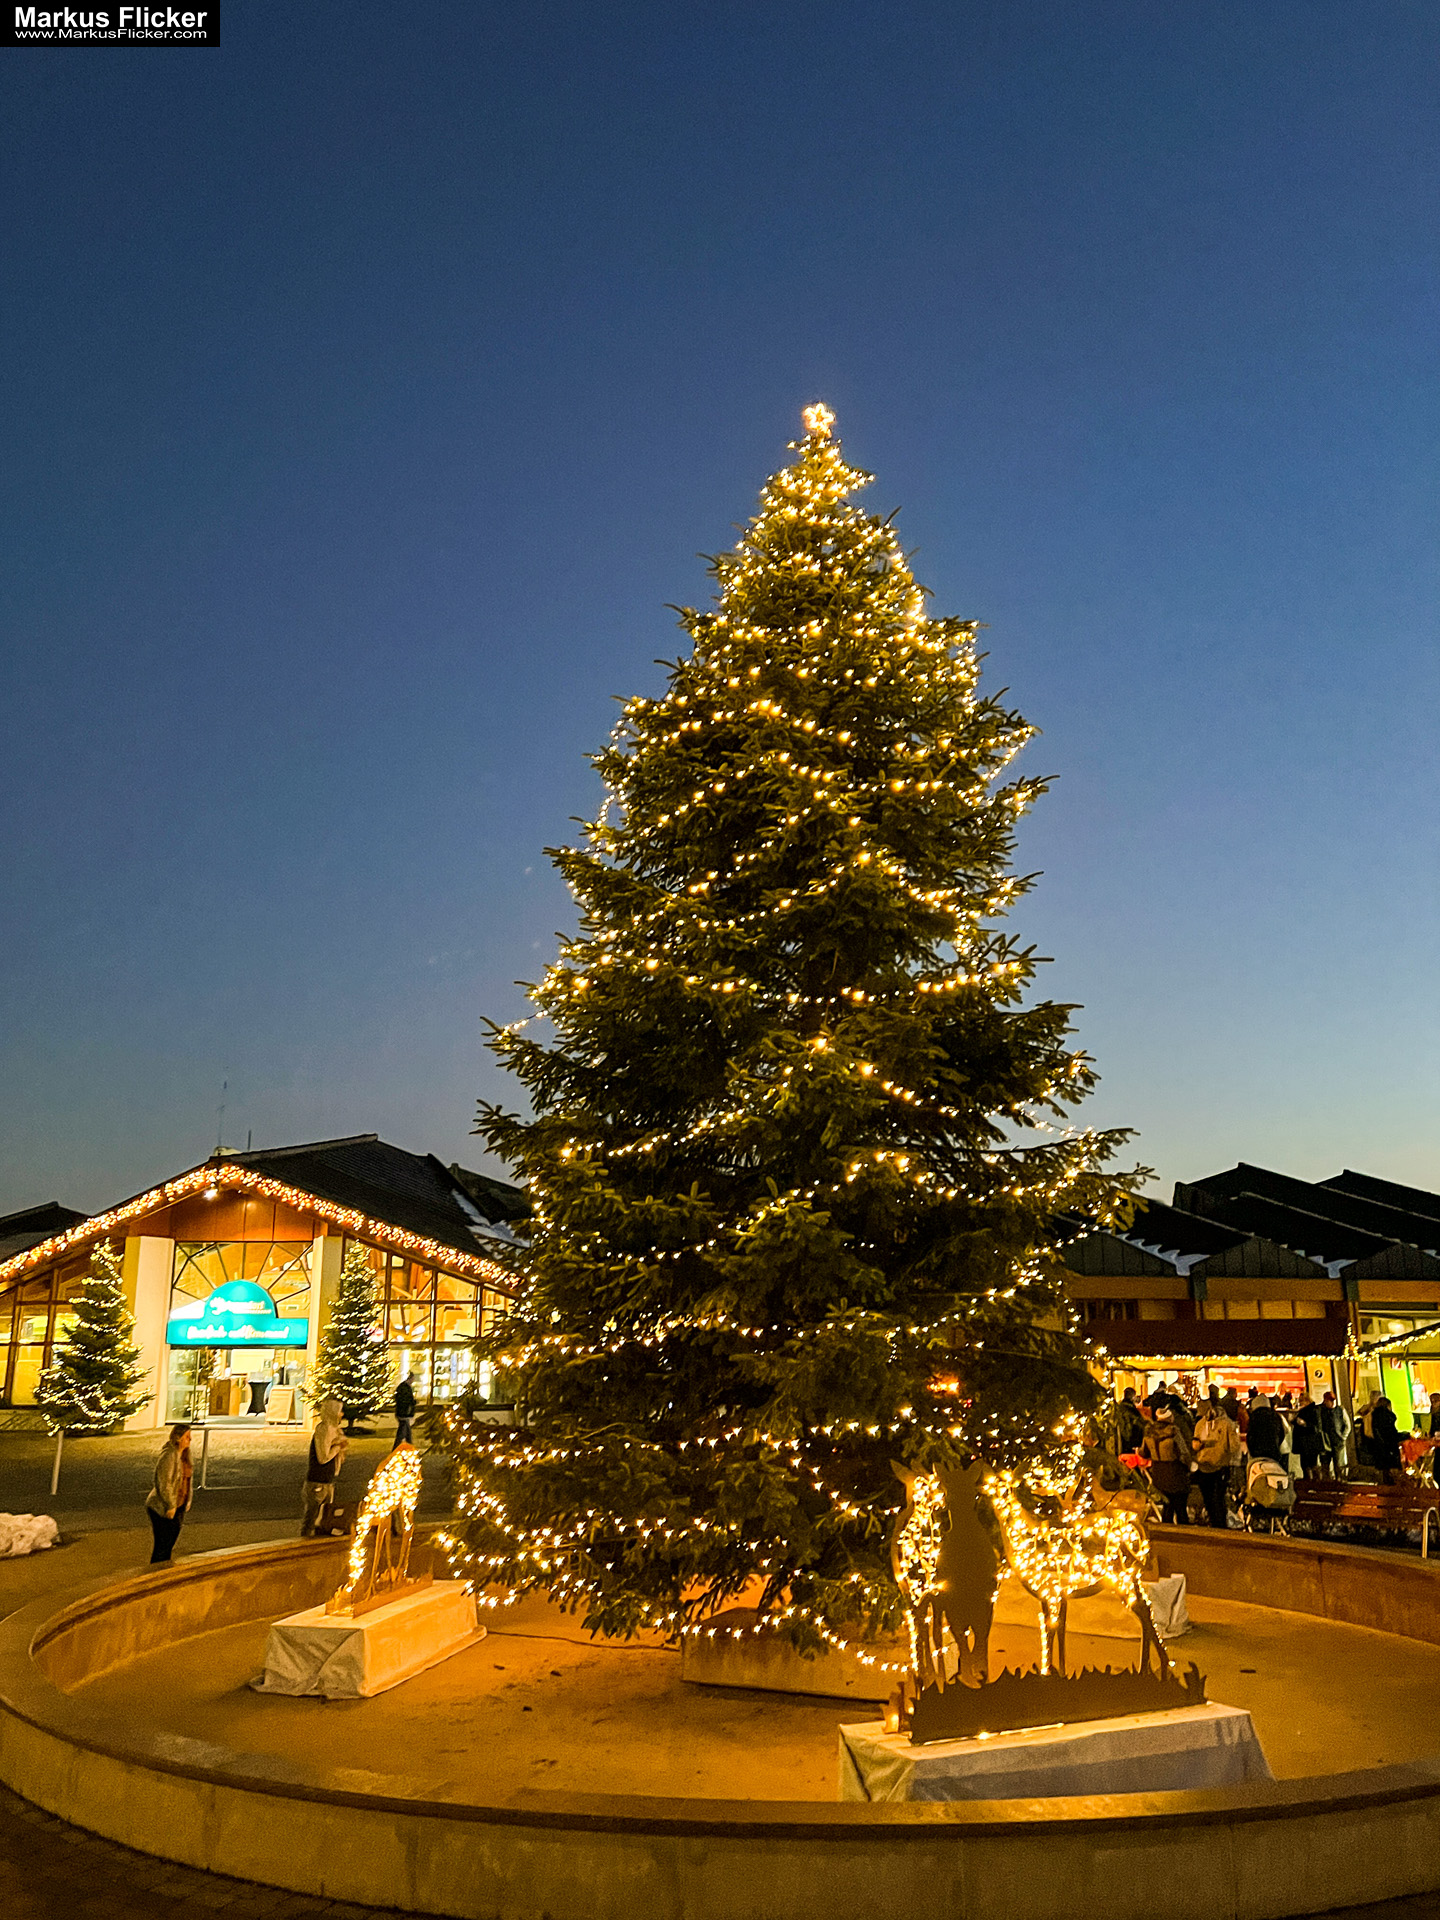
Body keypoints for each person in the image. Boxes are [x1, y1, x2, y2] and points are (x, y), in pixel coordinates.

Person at [145, 1424, 193, 1565]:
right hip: (162, 1507)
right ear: (178, 1438)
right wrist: (170, 1505)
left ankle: (162, 1569)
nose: (189, 1440)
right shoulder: (169, 1455)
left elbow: (188, 1479)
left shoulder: (185, 1455)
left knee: (170, 1540)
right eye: (186, 1437)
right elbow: (164, 1482)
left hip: (179, 1504)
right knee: (163, 1543)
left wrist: (187, 1500)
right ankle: (156, 1572)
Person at [1193, 1389, 1242, 1528]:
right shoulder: (1227, 1424)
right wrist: (1234, 1461)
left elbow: (1195, 1442)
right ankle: (1219, 1524)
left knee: (1210, 1497)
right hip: (1218, 1464)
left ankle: (1216, 1522)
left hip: (1206, 1464)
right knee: (1217, 1497)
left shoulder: (1201, 1424)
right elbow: (1234, 1445)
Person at [302, 1397, 348, 1535]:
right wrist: (337, 1448)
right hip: (318, 1481)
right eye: (339, 1411)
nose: (342, 1414)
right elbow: (323, 1458)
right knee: (312, 1518)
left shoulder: (335, 1430)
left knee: (325, 1519)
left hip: (328, 1481)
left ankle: (317, 1547)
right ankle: (303, 1547)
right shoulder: (324, 1429)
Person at [1142, 1401, 1194, 1525]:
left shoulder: (1149, 1432)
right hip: (1175, 1471)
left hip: (1158, 1471)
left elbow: (1144, 1453)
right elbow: (1183, 1452)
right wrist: (1188, 1467)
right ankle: (1184, 1533)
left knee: (1167, 1506)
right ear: (1170, 1418)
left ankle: (1166, 1532)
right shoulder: (1174, 1432)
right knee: (1180, 1506)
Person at [1244, 1393, 1287, 1468]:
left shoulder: (1254, 1418)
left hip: (1257, 1454)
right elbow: (1282, 1434)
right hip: (1273, 1452)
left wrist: (1252, 1451)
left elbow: (1250, 1436)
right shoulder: (1276, 1416)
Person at [1371, 1395, 1403, 1483]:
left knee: (1385, 1472)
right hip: (1389, 1448)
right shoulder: (1386, 1417)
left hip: (1380, 1448)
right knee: (1392, 1471)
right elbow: (1391, 1434)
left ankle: (1386, 1487)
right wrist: (1403, 1436)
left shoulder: (1375, 1416)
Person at [1292, 1397, 1326, 1480]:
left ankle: (1313, 1480)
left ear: (1307, 1401)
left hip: (1310, 1442)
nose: (1300, 1404)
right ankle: (1313, 1480)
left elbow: (1316, 1427)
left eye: (1301, 1401)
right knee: (1307, 1463)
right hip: (1307, 1443)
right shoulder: (1305, 1411)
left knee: (1309, 1464)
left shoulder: (1313, 1411)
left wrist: (1304, 1424)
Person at [1317, 1392, 1351, 1477]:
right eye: (1329, 1401)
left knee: (1338, 1465)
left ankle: (1338, 1481)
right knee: (1325, 1465)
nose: (1331, 1403)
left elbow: (1347, 1425)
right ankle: (1329, 1484)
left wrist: (1343, 1437)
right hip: (1325, 1441)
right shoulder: (1320, 1410)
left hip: (1337, 1442)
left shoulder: (1340, 1410)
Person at [394, 1374, 417, 1446]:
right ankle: (399, 1447)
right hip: (404, 1413)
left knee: (406, 1432)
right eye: (412, 1379)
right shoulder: (405, 1388)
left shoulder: (403, 1387)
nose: (413, 1381)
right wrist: (413, 1402)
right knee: (403, 1432)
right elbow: (406, 1400)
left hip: (403, 1413)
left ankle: (408, 1446)